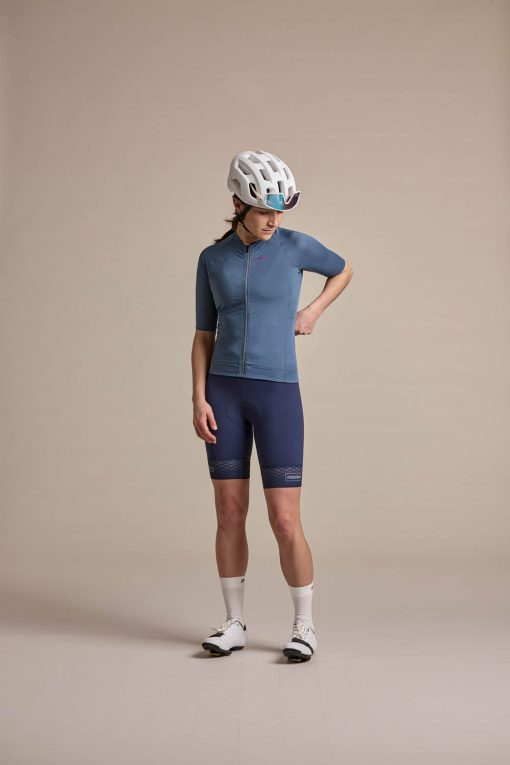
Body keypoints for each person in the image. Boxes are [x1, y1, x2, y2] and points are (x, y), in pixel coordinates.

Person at [191, 149, 353, 662]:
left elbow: (343, 270)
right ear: (238, 205)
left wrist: (313, 311)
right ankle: (234, 623)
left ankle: (304, 626)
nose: (273, 221)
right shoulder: (211, 259)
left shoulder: (294, 246)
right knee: (228, 512)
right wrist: (198, 397)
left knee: (284, 520)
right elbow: (203, 335)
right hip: (223, 395)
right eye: (264, 211)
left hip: (277, 394)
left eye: (279, 212)